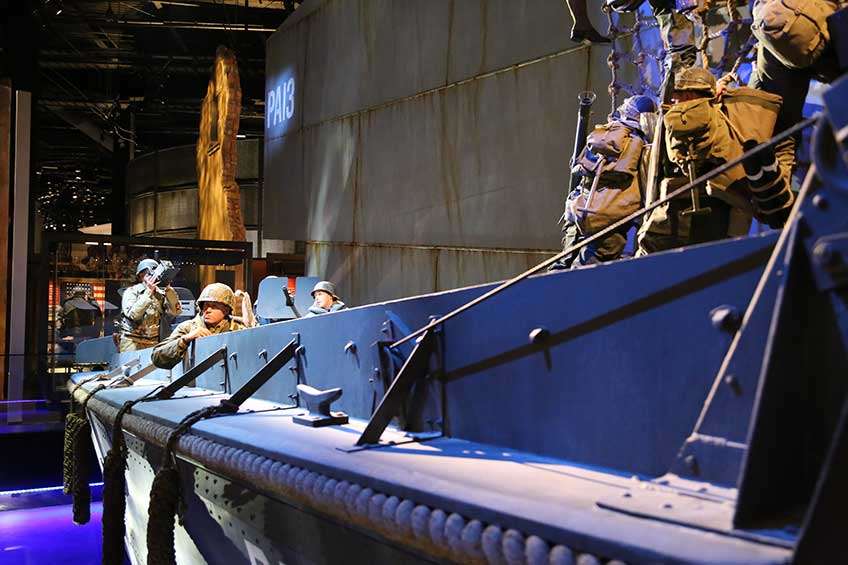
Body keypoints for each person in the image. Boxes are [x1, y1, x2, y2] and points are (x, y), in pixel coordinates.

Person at [552, 94, 657, 267]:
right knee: (586, 275)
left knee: (563, 267)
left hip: (579, 213)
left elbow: (578, 169)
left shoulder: (603, 135)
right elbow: (647, 191)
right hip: (609, 223)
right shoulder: (641, 146)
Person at [151, 283, 246, 369]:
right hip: (195, 385)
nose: (207, 310)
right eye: (205, 305)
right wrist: (184, 340)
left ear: (226, 310)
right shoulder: (188, 328)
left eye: (214, 306)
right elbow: (157, 357)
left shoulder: (239, 330)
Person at [117, 259, 182, 352]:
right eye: (148, 274)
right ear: (141, 275)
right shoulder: (131, 292)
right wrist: (148, 292)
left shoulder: (160, 294)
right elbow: (134, 315)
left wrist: (168, 289)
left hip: (153, 341)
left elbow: (176, 311)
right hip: (132, 341)